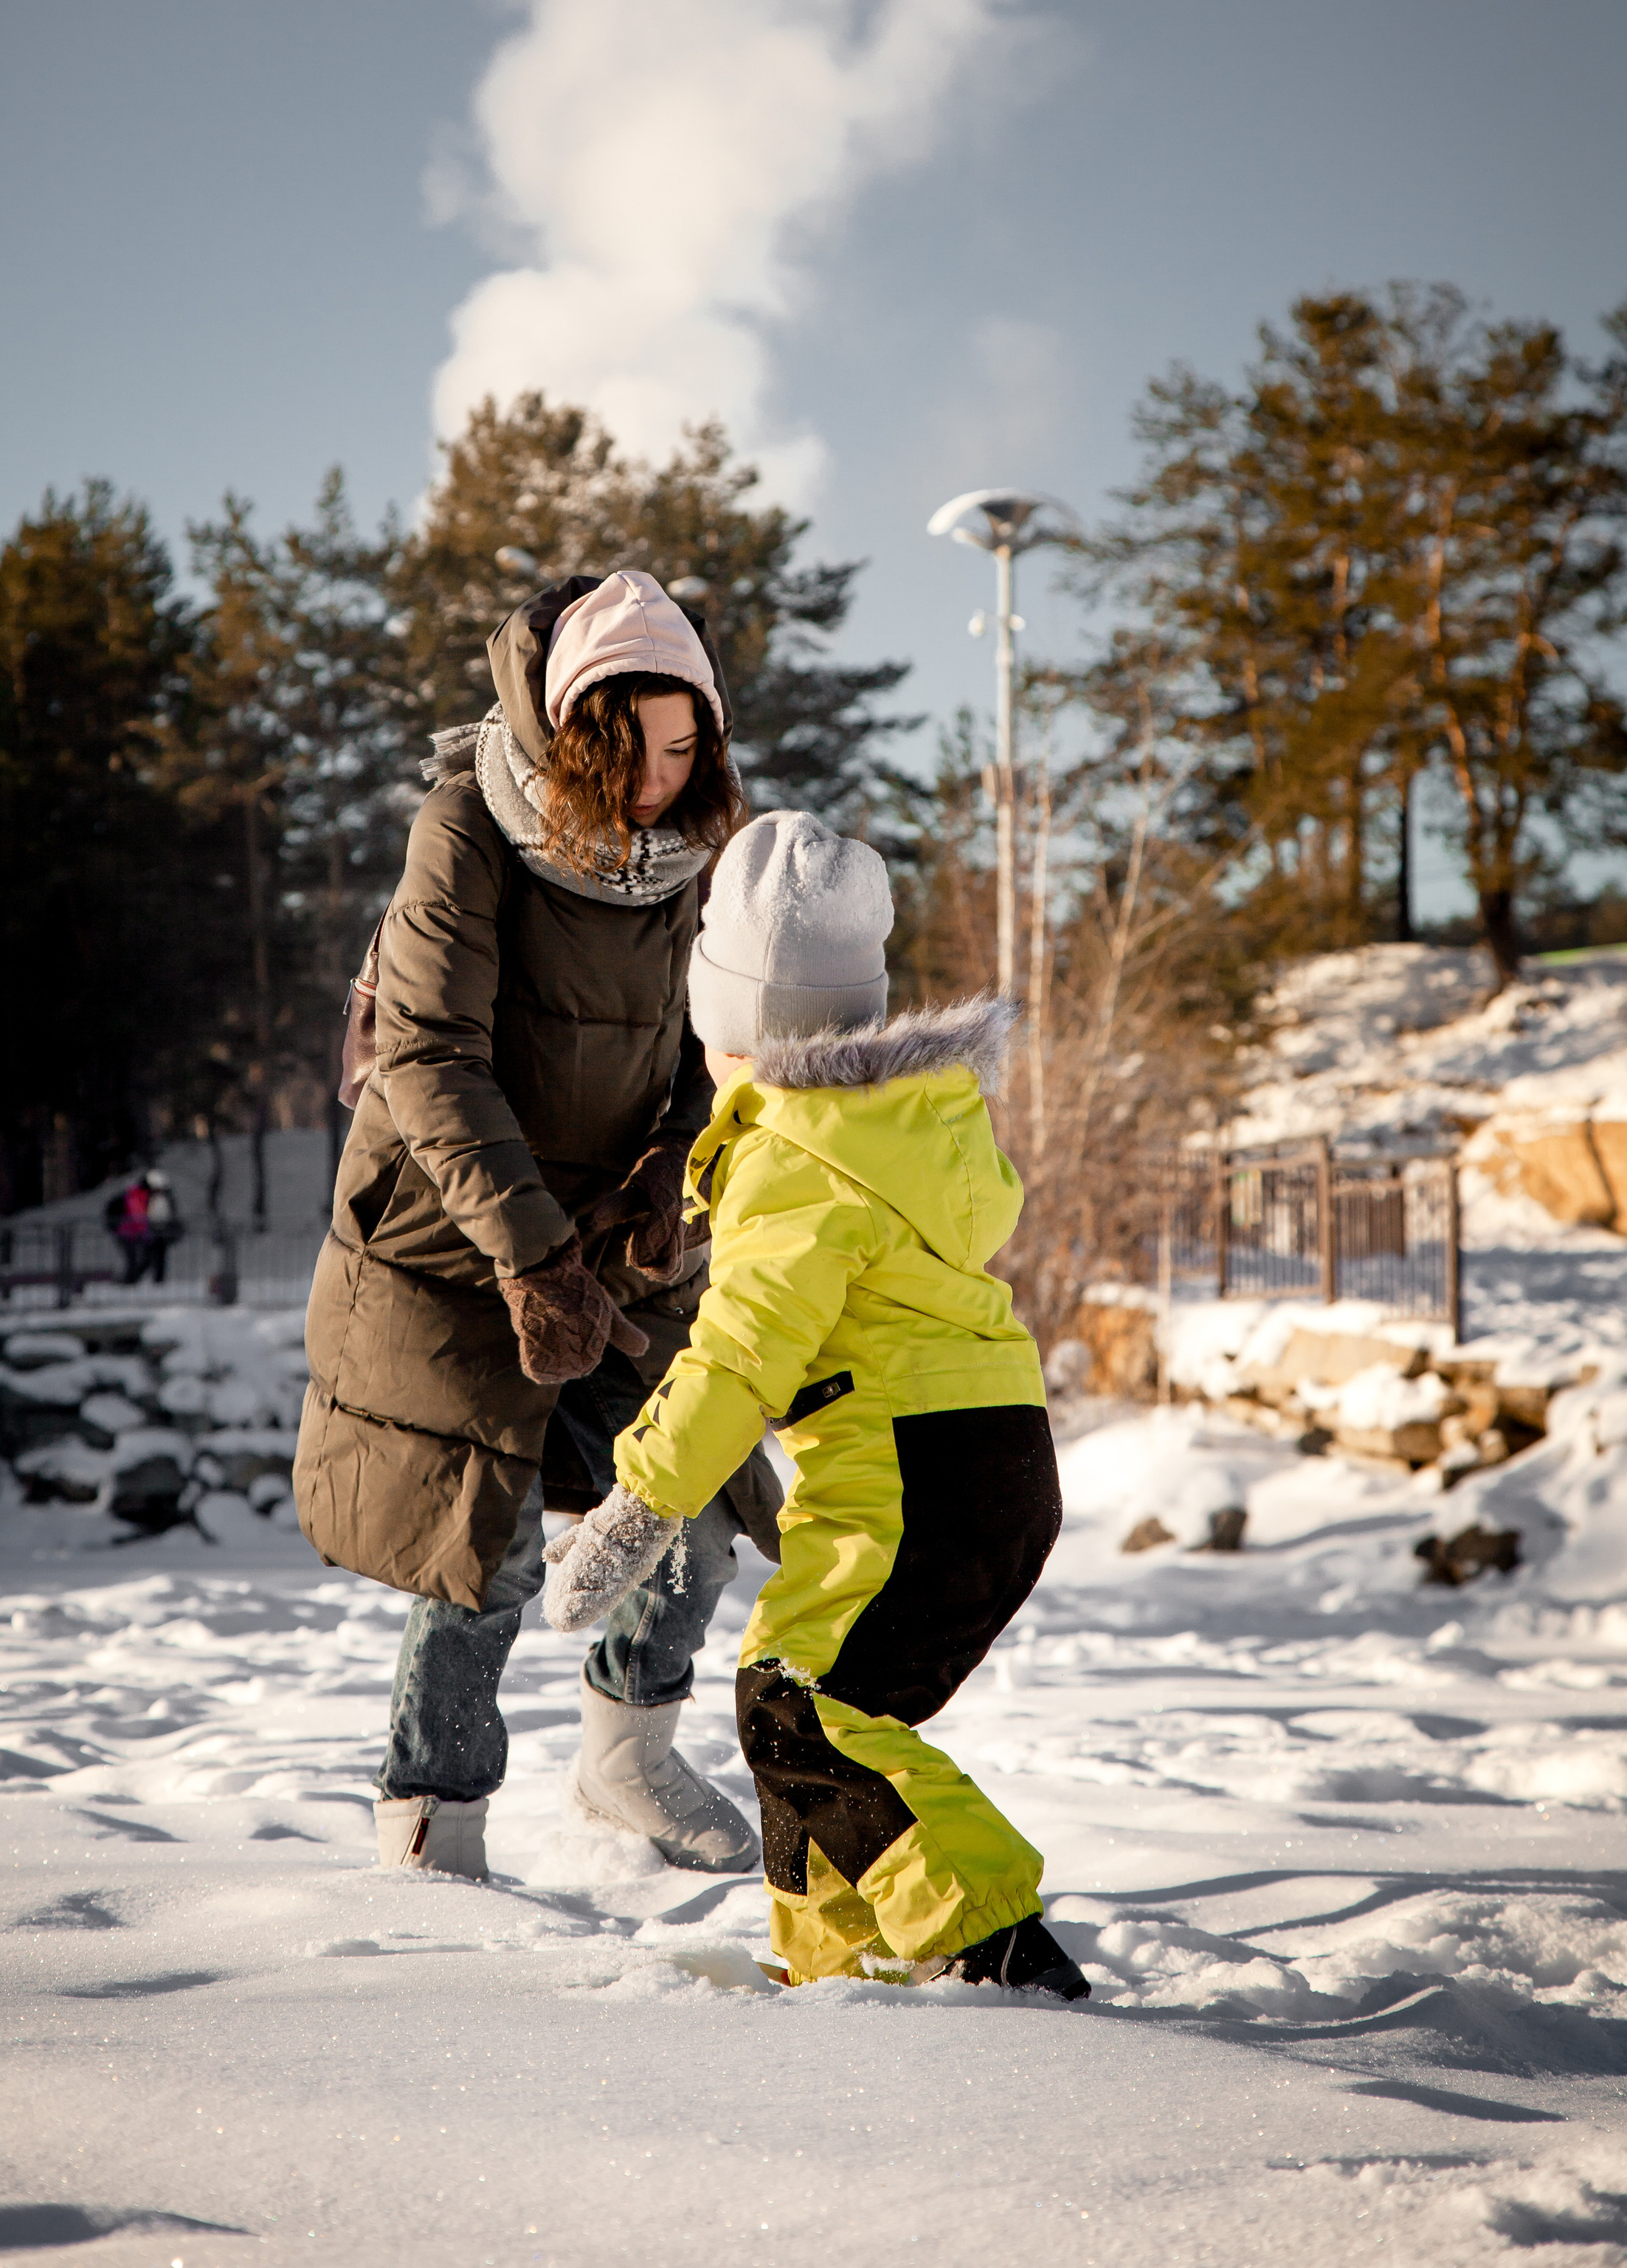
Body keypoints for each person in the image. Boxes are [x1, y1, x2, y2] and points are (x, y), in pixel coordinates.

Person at [543, 810, 1089, 1998]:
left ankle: (993, 1940)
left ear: (735, 1026)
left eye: (715, 1036)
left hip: (917, 1470)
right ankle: (840, 1966)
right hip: (980, 1454)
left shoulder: (796, 1155)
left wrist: (637, 1504)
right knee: (793, 1699)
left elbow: (737, 1356)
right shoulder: (898, 1127)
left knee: (804, 1707)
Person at [294, 569, 781, 1881]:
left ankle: (627, 1756)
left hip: (603, 1235)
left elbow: (709, 1053)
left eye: (693, 748)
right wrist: (533, 1255)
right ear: (579, 736)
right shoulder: (468, 825)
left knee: (695, 1498)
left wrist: (669, 1185)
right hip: (453, 1240)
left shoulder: (695, 857)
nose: (669, 778)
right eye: (642, 751)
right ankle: (433, 1818)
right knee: (485, 1541)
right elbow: (431, 1054)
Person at [105, 1174, 153, 1284]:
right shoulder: (133, 1198)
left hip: (135, 1234)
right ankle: (130, 1281)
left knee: (138, 1259)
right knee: (134, 1259)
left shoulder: (139, 1198)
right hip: (128, 1234)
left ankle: (130, 1280)